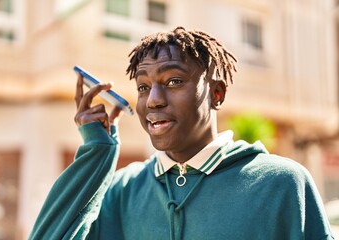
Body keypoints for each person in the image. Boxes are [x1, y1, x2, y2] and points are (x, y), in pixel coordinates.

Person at [29, 26, 334, 240]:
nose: (154, 100)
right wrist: (97, 153)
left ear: (216, 93)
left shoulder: (280, 183)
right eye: (143, 87)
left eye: (174, 81)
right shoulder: (124, 191)